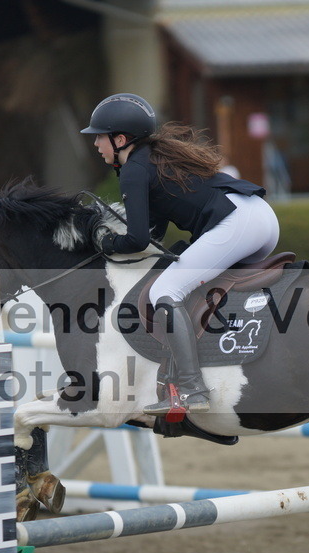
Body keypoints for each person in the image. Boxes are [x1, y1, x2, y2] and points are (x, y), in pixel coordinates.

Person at [81, 93, 279, 416]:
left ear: (119, 139)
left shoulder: (134, 169)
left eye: (99, 137)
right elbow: (154, 234)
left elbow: (137, 238)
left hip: (238, 223)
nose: (96, 145)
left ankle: (190, 388)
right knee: (186, 283)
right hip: (261, 219)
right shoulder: (152, 159)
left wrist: (105, 243)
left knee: (164, 291)